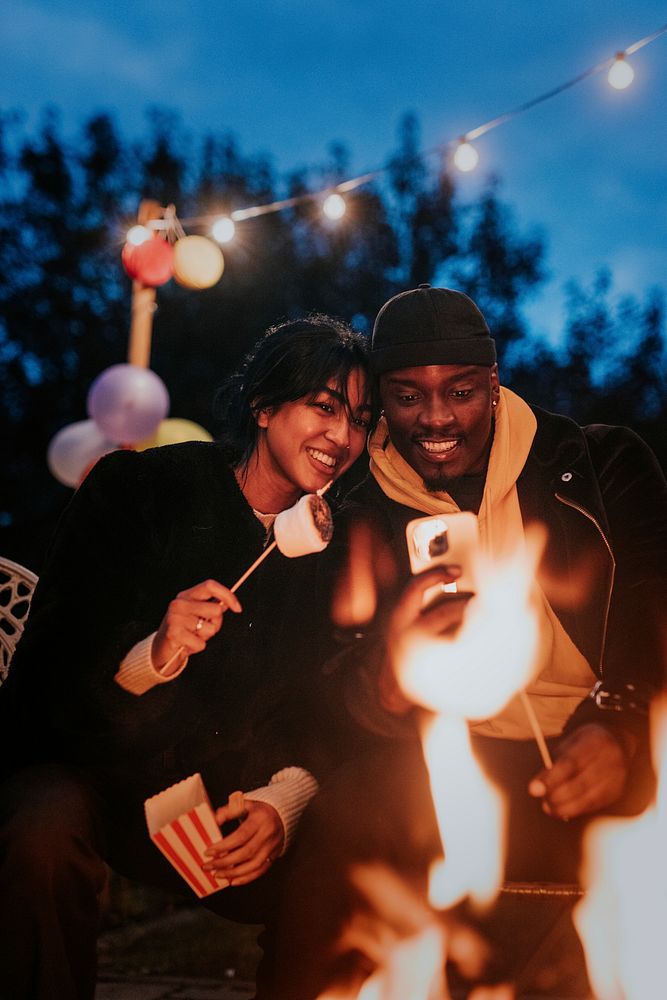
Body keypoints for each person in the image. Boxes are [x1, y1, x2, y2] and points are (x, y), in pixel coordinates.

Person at [269, 285, 667, 999]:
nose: (436, 418)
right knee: (349, 812)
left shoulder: (598, 464)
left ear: (492, 381)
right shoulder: (356, 515)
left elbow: (652, 613)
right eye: (407, 396)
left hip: (601, 742)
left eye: (458, 391)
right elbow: (319, 697)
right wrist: (385, 676)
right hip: (450, 760)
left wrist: (618, 722)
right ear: (381, 404)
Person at [0, 314, 371, 1000]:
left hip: (226, 813)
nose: (341, 436)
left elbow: (332, 712)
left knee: (345, 861)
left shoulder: (339, 556)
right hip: (97, 781)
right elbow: (44, 679)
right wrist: (154, 652)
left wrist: (281, 804)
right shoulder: (139, 489)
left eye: (359, 418)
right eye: (323, 406)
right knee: (38, 826)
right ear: (263, 406)